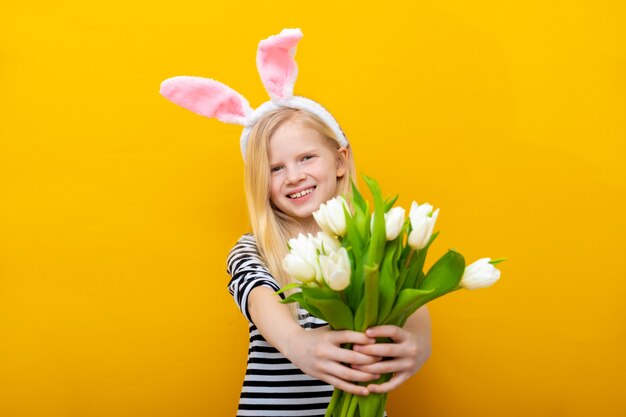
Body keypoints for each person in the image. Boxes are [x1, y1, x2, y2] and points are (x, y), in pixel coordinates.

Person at [161, 28, 432, 417]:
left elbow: (415, 308)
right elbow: (259, 299)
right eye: (275, 168)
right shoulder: (253, 249)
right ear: (261, 182)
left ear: (339, 161)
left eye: (306, 158)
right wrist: (298, 344)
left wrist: (418, 347)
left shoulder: (376, 241)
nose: (293, 176)